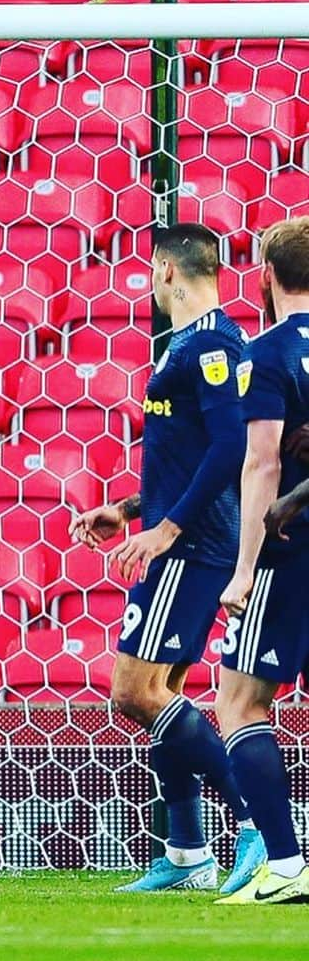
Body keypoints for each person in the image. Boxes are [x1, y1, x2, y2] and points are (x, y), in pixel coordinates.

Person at [70, 223, 262, 893]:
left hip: (194, 547)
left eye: (151, 272)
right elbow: (187, 452)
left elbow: (229, 445)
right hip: (189, 540)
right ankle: (185, 854)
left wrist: (168, 530)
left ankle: (259, 824)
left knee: (135, 692)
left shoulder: (209, 342)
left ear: (166, 271)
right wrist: (128, 509)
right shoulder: (197, 342)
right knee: (164, 692)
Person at [214, 217, 309, 905]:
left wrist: (243, 568)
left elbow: (262, 462)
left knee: (240, 702)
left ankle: (284, 865)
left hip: (288, 553)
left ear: (266, 276)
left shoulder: (266, 353)